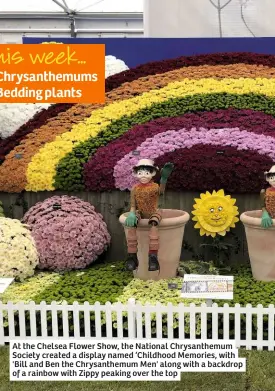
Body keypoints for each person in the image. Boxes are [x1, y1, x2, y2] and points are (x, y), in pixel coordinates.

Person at [124, 158, 174, 272]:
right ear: (136, 174)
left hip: (153, 212)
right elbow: (133, 205)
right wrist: (132, 214)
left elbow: (161, 192)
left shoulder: (155, 186)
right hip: (140, 212)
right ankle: (132, 257)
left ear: (152, 173)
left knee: (154, 224)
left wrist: (164, 179)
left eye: (147, 172)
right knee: (131, 225)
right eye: (140, 172)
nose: (143, 175)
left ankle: (153, 257)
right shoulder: (135, 189)